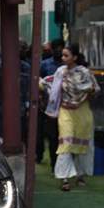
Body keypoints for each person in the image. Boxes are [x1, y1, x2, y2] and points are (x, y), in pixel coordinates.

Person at [42, 44, 100, 191]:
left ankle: (80, 175)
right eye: (62, 55)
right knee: (65, 143)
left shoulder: (84, 72)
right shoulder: (60, 72)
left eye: (66, 55)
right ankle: (65, 178)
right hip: (65, 111)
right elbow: (52, 87)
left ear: (74, 57)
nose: (62, 58)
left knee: (82, 144)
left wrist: (88, 90)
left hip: (82, 111)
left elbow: (95, 89)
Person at [37, 39, 65, 169]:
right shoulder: (45, 65)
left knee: (64, 136)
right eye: (57, 48)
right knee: (53, 136)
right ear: (52, 50)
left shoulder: (68, 66)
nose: (59, 51)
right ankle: (55, 164)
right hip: (49, 107)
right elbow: (38, 82)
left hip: (66, 107)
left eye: (61, 48)